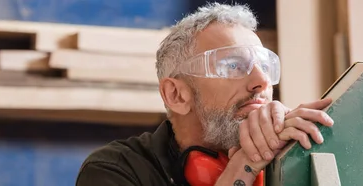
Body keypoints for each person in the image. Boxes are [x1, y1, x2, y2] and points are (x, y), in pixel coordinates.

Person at [75, 3, 334, 186]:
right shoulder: (117, 170)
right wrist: (245, 165)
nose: (261, 81)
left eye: (265, 67)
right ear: (176, 95)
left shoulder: (295, 155)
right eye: (233, 66)